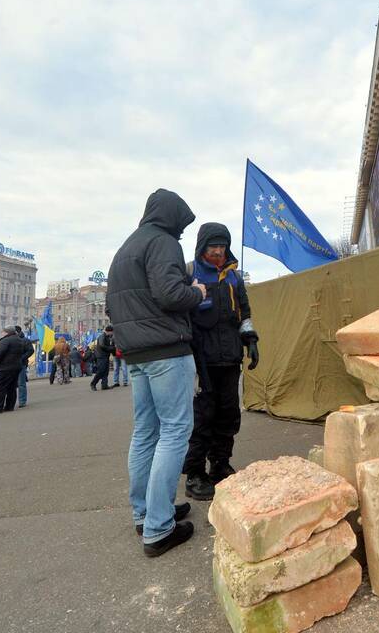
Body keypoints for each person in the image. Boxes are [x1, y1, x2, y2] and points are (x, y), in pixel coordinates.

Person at [107, 188, 206, 557]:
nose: (181, 232)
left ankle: (146, 511)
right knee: (176, 430)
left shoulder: (126, 248)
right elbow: (170, 295)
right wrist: (195, 290)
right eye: (181, 223)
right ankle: (159, 529)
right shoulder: (163, 242)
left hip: (136, 354)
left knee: (146, 432)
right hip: (167, 350)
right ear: (171, 217)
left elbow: (111, 306)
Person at [182, 222, 258, 500]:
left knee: (229, 413)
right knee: (203, 416)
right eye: (213, 246)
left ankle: (220, 464)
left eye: (222, 246)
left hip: (230, 358)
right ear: (202, 247)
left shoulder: (234, 276)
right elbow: (181, 311)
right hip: (202, 359)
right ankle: (194, 473)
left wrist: (251, 340)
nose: (218, 251)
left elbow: (245, 312)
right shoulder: (189, 272)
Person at [0, 327, 31, 414]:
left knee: (1, 388)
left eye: (3, 331)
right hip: (16, 367)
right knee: (12, 388)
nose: (2, 333)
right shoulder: (19, 340)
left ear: (6, 332)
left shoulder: (5, 341)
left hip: (5, 367)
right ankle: (9, 406)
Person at [90, 326, 115, 391]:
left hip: (105, 356)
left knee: (106, 371)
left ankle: (104, 385)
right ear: (109, 331)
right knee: (100, 371)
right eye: (112, 332)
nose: (112, 333)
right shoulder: (102, 336)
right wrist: (111, 348)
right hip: (101, 356)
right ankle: (93, 384)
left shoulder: (108, 337)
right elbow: (102, 345)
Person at [15, 325, 30, 408]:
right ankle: (11, 401)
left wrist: (22, 358)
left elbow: (30, 350)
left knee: (21, 383)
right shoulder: (9, 339)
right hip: (10, 364)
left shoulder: (25, 340)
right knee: (11, 383)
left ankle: (22, 401)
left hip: (21, 364)